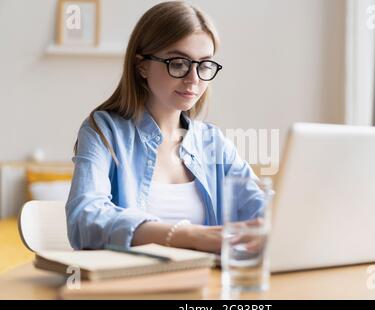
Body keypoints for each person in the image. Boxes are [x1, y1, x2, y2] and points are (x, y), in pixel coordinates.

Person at [66, 1, 263, 253]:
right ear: (142, 66)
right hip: (133, 285)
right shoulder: (104, 131)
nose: (193, 79)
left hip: (205, 286)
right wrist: (189, 236)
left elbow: (262, 207)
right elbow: (84, 219)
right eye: (178, 63)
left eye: (203, 65)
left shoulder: (213, 142)